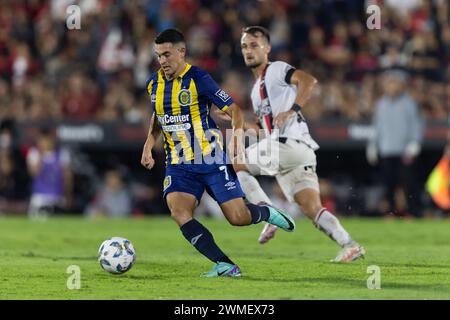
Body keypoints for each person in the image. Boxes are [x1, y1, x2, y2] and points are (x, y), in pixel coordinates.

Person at [140, 28, 296, 277]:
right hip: (178, 163)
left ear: (181, 52)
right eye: (158, 56)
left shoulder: (199, 79)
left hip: (210, 158)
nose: (162, 61)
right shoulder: (153, 84)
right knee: (179, 212)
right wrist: (149, 143)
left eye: (167, 54)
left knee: (238, 218)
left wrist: (235, 142)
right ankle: (225, 264)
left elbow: (234, 111)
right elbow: (160, 114)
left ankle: (266, 212)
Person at [231, 26, 365, 262]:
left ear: (267, 48)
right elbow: (264, 132)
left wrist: (293, 110)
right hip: (297, 150)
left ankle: (268, 211)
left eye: (254, 45)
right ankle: (350, 244)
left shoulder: (276, 69)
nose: (248, 50)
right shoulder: (255, 92)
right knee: (311, 208)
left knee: (236, 163)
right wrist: (238, 122)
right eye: (244, 46)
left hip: (289, 144)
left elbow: (309, 81)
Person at [367, 69, 424, 218]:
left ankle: (412, 211)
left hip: (405, 150)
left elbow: (416, 124)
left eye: (394, 83)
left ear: (401, 85)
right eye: (389, 83)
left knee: (407, 183)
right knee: (388, 184)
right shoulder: (381, 104)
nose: (391, 86)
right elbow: (377, 126)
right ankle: (390, 212)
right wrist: (373, 145)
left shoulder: (409, 103)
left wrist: (415, 142)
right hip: (386, 149)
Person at [26, 127, 73, 219]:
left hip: (57, 197)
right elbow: (34, 173)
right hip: (40, 198)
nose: (46, 143)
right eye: (43, 140)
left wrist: (68, 194)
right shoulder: (34, 153)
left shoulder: (62, 154)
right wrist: (42, 154)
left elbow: (67, 177)